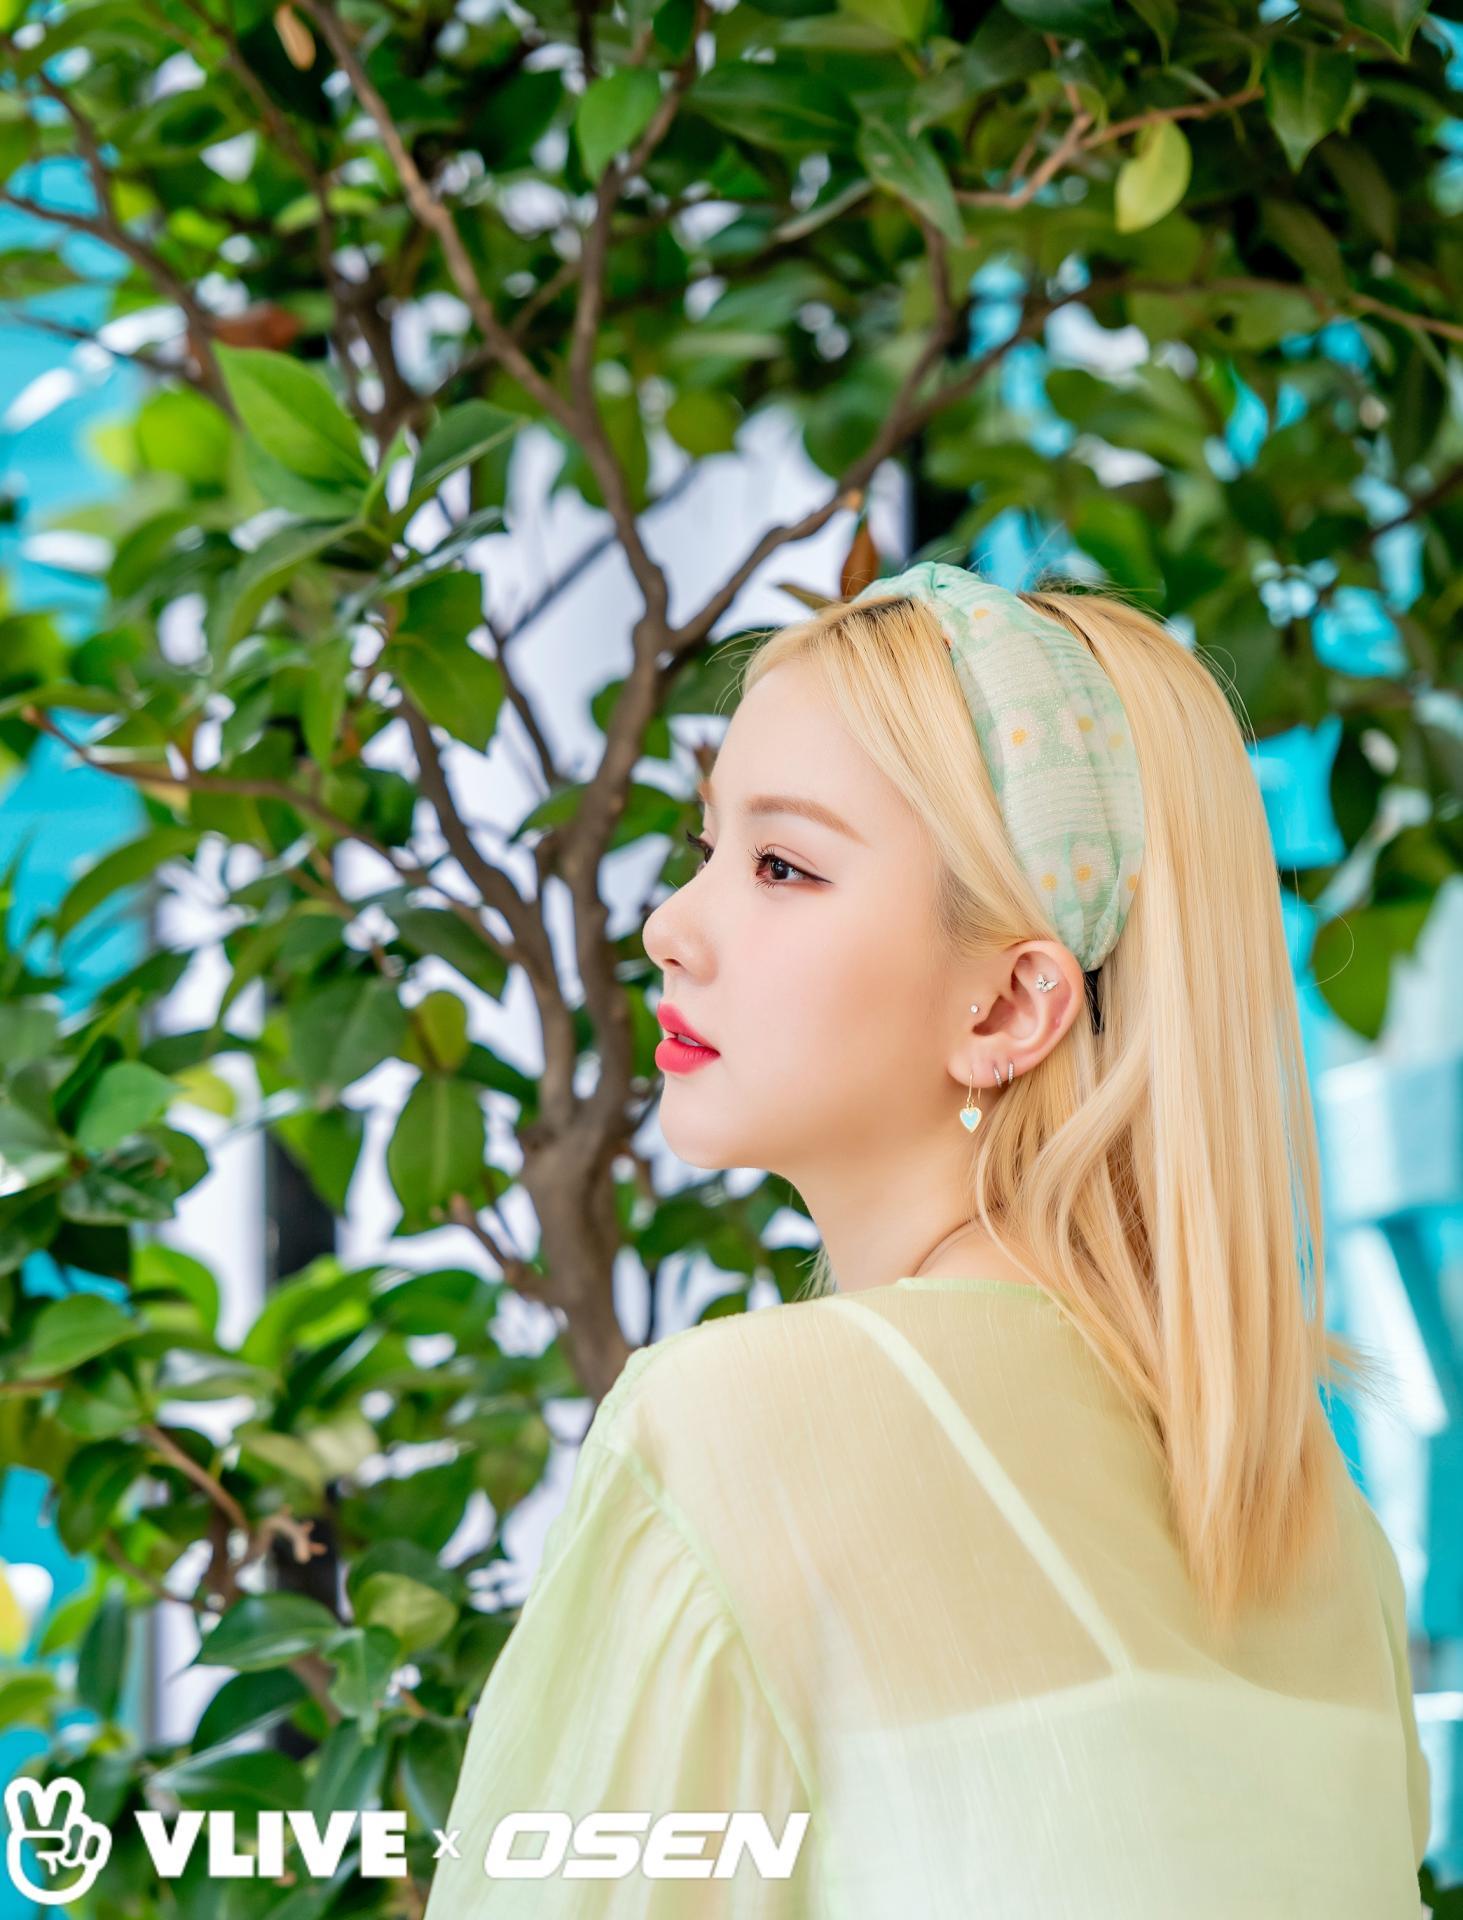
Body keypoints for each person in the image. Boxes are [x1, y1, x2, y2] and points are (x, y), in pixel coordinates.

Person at [423, 560, 1432, 1916]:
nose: (669, 926)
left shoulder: (735, 1431)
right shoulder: (1321, 1524)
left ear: (1010, 1007)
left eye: (783, 865)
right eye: (705, 848)